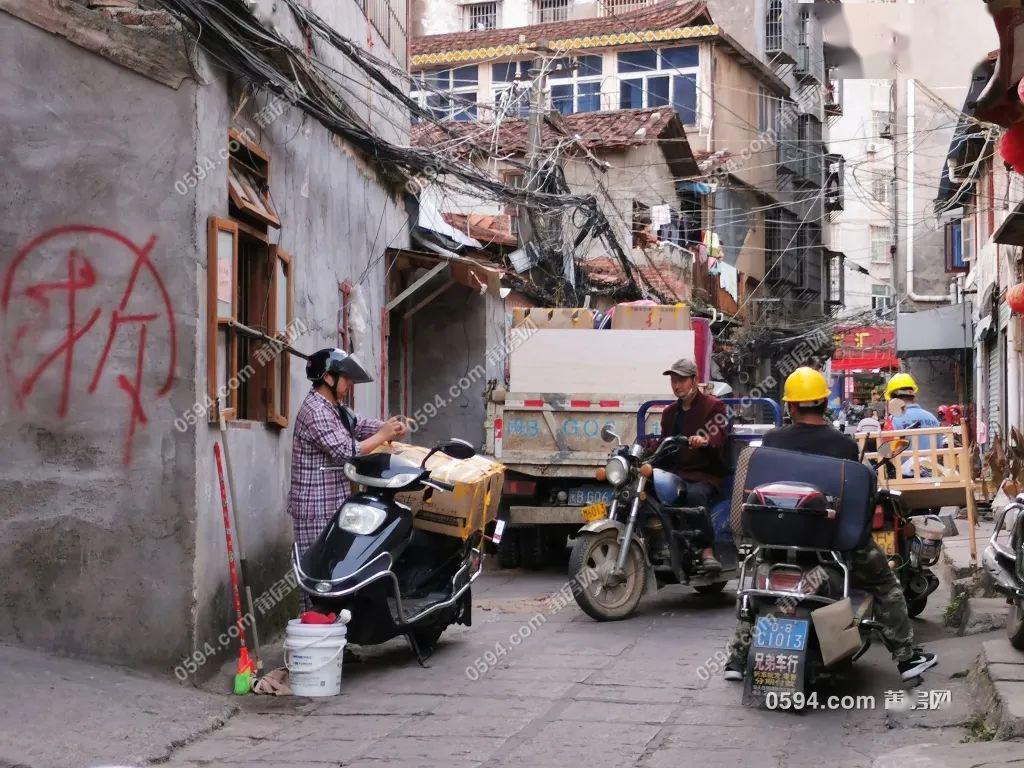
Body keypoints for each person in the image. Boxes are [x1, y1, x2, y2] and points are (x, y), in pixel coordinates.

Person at [723, 367, 938, 682]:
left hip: (776, 541)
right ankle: (906, 659)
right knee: (885, 583)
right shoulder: (844, 446)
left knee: (754, 587)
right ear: (824, 403)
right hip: (830, 547)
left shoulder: (771, 440)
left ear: (791, 406)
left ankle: (736, 661)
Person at [287, 348, 408, 610]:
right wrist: (382, 435)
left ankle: (334, 640)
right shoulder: (315, 411)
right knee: (316, 577)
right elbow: (346, 451)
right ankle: (314, 635)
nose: (350, 384)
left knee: (335, 573)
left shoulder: (334, 408)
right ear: (329, 378)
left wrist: (388, 427)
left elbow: (359, 423)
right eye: (346, 378)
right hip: (315, 508)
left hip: (332, 504)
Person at [654, 358, 729, 572]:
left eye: (681, 380)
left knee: (695, 495)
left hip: (703, 474)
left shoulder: (714, 406)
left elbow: (719, 435)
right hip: (674, 473)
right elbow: (664, 443)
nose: (676, 385)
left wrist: (704, 441)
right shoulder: (669, 413)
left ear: (694, 380)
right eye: (673, 381)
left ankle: (706, 549)